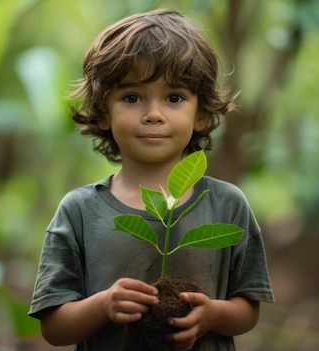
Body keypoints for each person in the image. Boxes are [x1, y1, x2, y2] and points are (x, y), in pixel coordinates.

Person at [28, 8, 274, 351]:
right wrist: (104, 305)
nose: (153, 114)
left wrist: (212, 315)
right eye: (132, 98)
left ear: (201, 113)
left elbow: (248, 309)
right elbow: (54, 328)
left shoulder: (227, 205)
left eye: (174, 98)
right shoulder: (79, 211)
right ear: (103, 112)